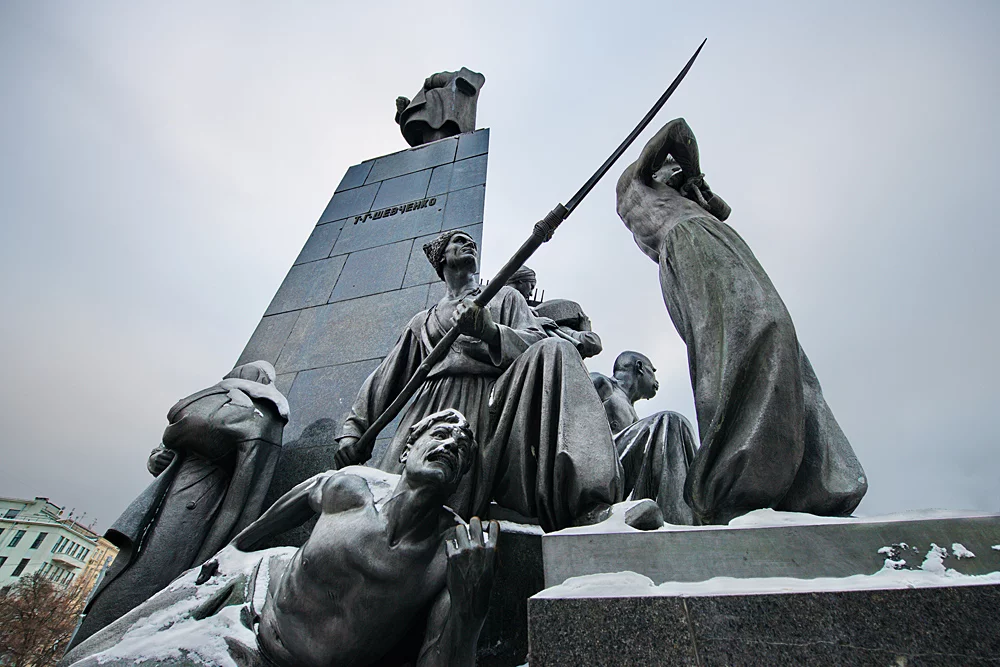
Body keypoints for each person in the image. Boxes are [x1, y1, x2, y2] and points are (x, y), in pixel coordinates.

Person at [616, 117, 867, 525]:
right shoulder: (634, 184)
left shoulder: (680, 198)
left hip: (711, 240)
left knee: (780, 341)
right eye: (672, 169)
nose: (678, 173)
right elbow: (678, 130)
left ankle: (815, 482)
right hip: (692, 241)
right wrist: (693, 175)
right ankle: (734, 480)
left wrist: (697, 189)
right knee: (754, 336)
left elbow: (722, 211)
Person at [334, 229, 621, 531]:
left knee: (558, 349)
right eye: (458, 241)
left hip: (491, 405)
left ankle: (590, 504)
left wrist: (491, 332)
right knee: (387, 519)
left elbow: (537, 343)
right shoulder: (422, 322)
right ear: (441, 259)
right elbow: (386, 376)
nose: (469, 243)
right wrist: (353, 431)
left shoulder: (505, 297)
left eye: (470, 241)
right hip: (430, 410)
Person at [71, 361, 288, 647]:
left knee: (154, 572)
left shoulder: (259, 415)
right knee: (135, 570)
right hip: (168, 496)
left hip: (202, 501)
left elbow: (246, 487)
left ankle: (123, 640)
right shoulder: (214, 403)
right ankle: (98, 641)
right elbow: (165, 450)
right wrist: (157, 459)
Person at [592, 351, 698, 525]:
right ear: (640, 367)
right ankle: (681, 524)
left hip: (624, 478)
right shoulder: (602, 384)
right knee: (670, 421)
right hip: (602, 469)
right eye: (653, 372)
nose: (656, 381)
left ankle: (694, 513)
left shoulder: (637, 421)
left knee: (675, 430)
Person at [509, 265, 603, 359]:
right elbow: (593, 343)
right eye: (531, 286)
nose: (531, 293)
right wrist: (586, 331)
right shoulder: (511, 295)